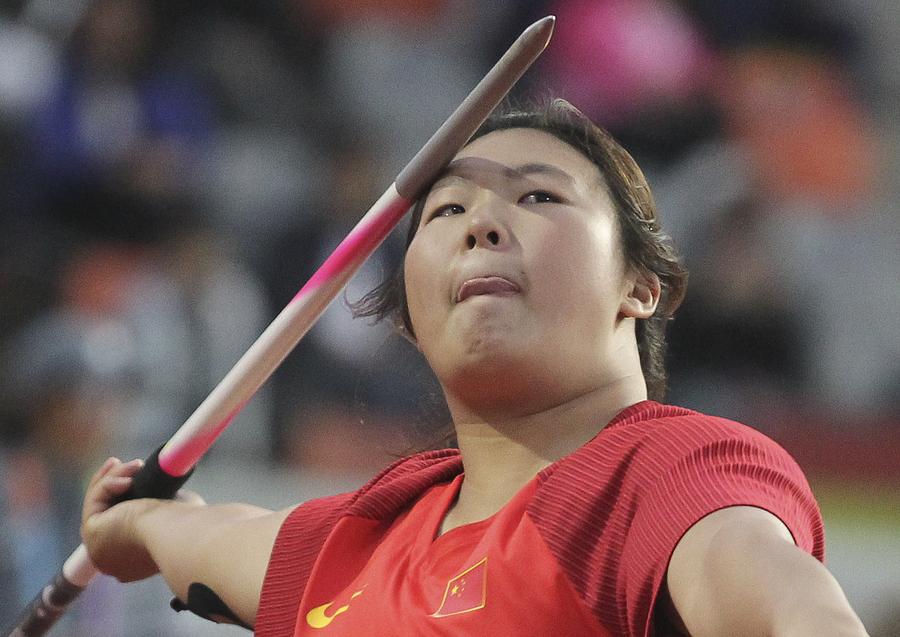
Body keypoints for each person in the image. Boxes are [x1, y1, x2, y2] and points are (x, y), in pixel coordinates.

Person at [81, 100, 868, 636]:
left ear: (639, 284)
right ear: (412, 319)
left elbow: (795, 611)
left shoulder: (664, 475)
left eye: (539, 198)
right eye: (449, 209)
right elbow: (209, 535)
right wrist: (140, 522)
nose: (482, 223)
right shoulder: (357, 538)